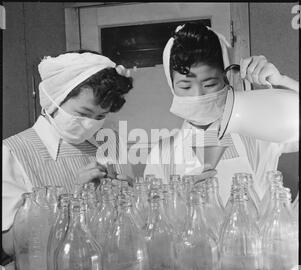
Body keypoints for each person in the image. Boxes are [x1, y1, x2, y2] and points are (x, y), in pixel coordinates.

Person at [144, 21, 298, 205]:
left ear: (226, 80)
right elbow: (148, 221)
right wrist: (177, 204)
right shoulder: (162, 155)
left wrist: (284, 86)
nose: (198, 95)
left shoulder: (258, 130)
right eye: (185, 86)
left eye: (209, 84)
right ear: (172, 86)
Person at [2, 50, 134, 258]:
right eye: (83, 113)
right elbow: (10, 245)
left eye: (101, 116)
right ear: (55, 99)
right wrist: (73, 199)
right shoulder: (13, 152)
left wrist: (133, 198)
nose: (91, 123)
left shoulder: (110, 141)